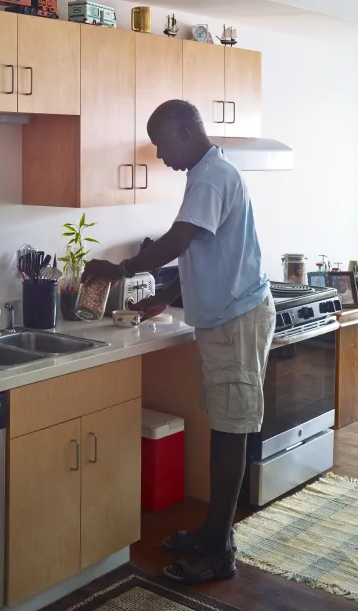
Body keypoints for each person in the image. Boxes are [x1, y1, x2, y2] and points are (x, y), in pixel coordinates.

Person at [82, 100, 275, 585]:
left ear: (187, 131)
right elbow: (200, 249)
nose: (161, 155)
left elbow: (179, 239)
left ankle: (218, 549)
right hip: (226, 320)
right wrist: (165, 296)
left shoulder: (210, 177)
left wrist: (120, 269)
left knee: (231, 430)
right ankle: (212, 532)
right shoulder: (208, 171)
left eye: (164, 143)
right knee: (226, 424)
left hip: (234, 321)